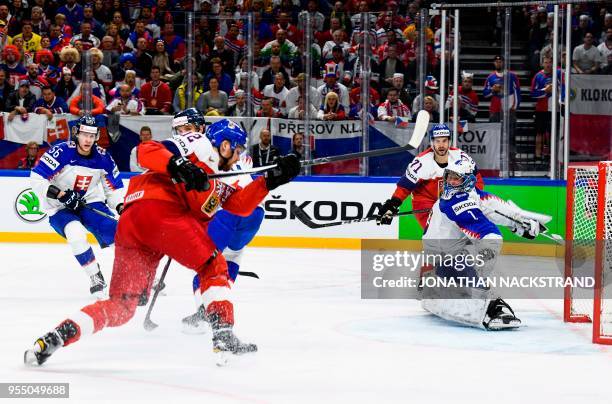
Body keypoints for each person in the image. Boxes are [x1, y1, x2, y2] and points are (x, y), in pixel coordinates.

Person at [24, 112, 300, 366]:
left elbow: (238, 205)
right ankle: (223, 335)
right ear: (225, 145)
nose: (239, 155)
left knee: (122, 307)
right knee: (213, 266)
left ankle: (56, 337)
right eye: (237, 149)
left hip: (134, 226)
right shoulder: (199, 142)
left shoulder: (224, 174)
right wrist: (177, 165)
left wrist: (268, 182)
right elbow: (146, 151)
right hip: (159, 212)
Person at [420, 158, 550, 330]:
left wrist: (521, 223)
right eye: (449, 176)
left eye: (455, 178)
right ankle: (484, 301)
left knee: (465, 254)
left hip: (438, 257)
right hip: (444, 259)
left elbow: (494, 206)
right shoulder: (458, 201)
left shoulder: (471, 195)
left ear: (468, 181)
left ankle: (434, 282)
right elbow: (487, 233)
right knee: (490, 243)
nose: (450, 182)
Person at [29, 115, 125, 298]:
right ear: (77, 134)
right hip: (59, 206)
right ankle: (95, 276)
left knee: (117, 234)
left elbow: (113, 189)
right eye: (84, 134)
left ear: (97, 136)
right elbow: (36, 178)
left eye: (92, 135)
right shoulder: (61, 151)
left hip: (89, 201)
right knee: (76, 234)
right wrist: (60, 194)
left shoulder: (104, 158)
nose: (88, 139)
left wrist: (121, 206)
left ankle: (139, 274)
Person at [377, 124, 484, 230]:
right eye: (437, 141)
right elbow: (404, 187)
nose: (441, 145)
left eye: (444, 141)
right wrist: (392, 205)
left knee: (462, 230)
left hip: (452, 201)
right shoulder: (421, 162)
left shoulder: (461, 157)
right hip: (425, 202)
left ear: (449, 142)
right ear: (432, 142)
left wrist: (474, 196)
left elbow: (476, 178)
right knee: (438, 233)